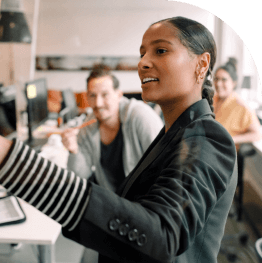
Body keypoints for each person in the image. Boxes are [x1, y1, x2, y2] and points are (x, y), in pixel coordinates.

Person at [0, 16, 238, 263]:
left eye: (160, 50)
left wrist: (12, 160)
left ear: (201, 65)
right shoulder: (171, 134)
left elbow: (162, 236)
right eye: (142, 53)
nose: (143, 62)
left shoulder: (209, 137)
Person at [61, 65, 163, 192]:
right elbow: (80, 176)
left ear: (119, 95)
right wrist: (73, 150)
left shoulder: (140, 116)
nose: (98, 103)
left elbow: (165, 165)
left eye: (105, 95)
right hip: (112, 199)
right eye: (92, 95)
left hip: (143, 197)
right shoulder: (88, 126)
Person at [213, 58, 261, 147]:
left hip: (224, 154)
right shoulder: (213, 99)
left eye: (224, 80)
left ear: (233, 83)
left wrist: (231, 139)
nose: (218, 83)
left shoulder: (241, 106)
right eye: (216, 79)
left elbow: (258, 134)